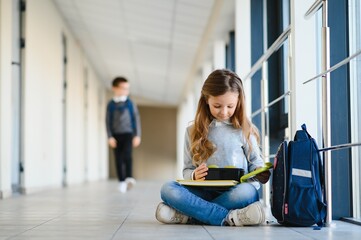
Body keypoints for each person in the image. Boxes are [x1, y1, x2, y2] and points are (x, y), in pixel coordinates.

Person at [155, 69, 270, 226]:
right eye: (217, 106)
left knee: (248, 191)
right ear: (206, 100)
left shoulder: (244, 129)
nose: (224, 112)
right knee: (168, 188)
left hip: (234, 193)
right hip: (203, 193)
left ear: (239, 102)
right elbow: (187, 170)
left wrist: (259, 173)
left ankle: (189, 216)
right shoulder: (192, 131)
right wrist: (194, 175)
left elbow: (256, 165)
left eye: (230, 106)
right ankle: (230, 217)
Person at [106, 77, 141, 193]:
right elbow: (107, 121)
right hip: (116, 135)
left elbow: (136, 119)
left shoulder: (130, 103)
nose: (126, 90)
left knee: (127, 155)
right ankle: (121, 181)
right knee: (118, 158)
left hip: (128, 133)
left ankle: (129, 177)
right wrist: (109, 136)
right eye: (123, 88)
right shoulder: (111, 105)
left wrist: (137, 135)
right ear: (115, 88)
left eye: (127, 88)